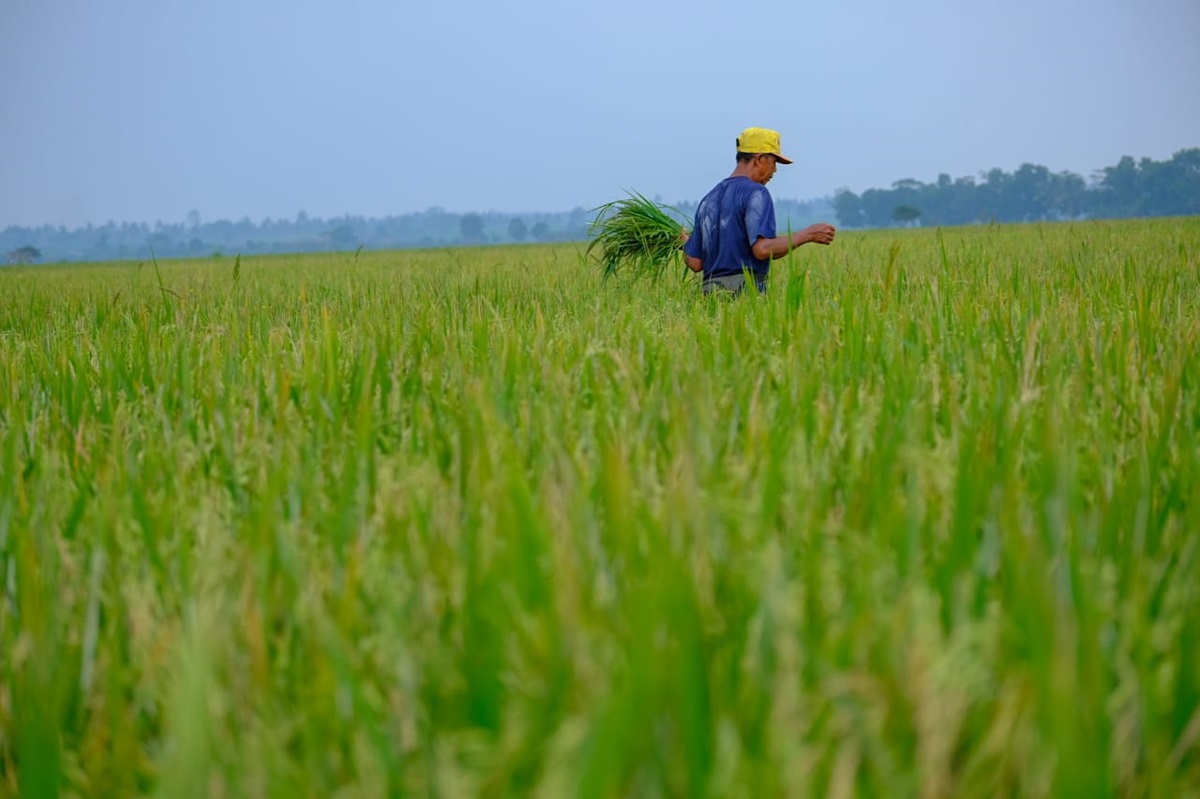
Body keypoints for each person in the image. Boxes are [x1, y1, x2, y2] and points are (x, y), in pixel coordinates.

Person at [682, 127, 836, 295]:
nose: (775, 170)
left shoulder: (708, 199)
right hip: (745, 293)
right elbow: (762, 249)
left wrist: (684, 242)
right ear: (760, 159)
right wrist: (808, 235)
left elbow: (695, 263)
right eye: (774, 162)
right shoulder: (756, 193)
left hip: (710, 296)